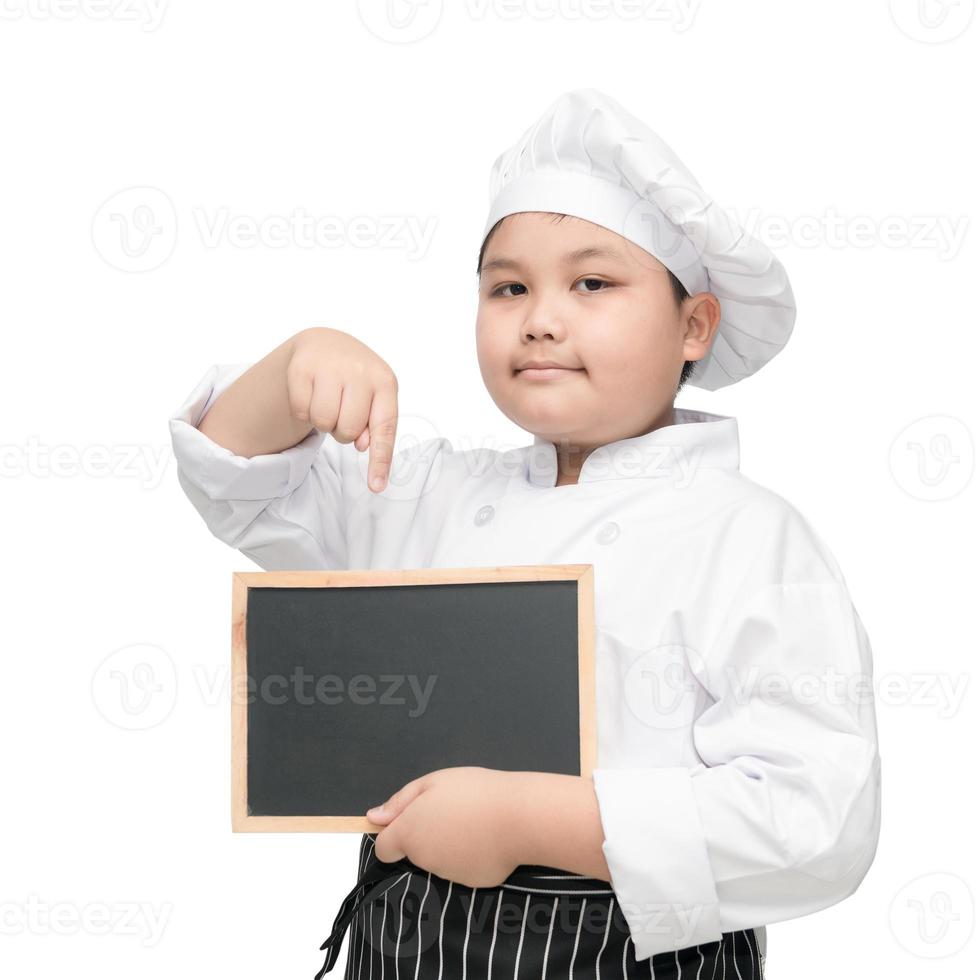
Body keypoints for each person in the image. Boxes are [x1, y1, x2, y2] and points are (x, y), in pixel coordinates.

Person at [168, 88, 882, 979]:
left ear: (695, 325)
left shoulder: (748, 538)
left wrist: (524, 823)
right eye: (509, 286)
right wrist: (292, 370)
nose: (540, 316)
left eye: (592, 283)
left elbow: (816, 821)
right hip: (408, 935)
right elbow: (241, 484)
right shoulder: (425, 490)